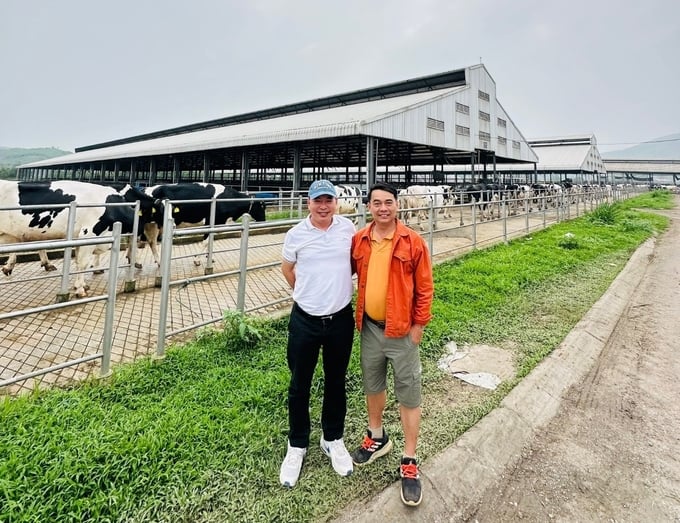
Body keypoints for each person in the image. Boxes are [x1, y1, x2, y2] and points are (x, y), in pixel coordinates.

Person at [350, 181, 434, 507]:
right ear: (368, 206)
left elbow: (425, 287)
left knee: (409, 391)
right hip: (370, 328)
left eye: (388, 202)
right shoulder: (360, 240)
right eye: (376, 203)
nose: (383, 208)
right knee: (373, 384)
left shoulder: (412, 242)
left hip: (401, 331)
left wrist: (418, 326)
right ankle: (376, 436)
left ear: (397, 205)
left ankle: (409, 459)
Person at [279, 179, 357, 488]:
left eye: (328, 200)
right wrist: (306, 293)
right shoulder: (296, 234)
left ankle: (332, 438)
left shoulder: (348, 229)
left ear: (336, 202)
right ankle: (297, 445)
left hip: (339, 319)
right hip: (305, 320)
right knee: (300, 383)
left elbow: (354, 264)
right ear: (308, 203)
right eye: (317, 200)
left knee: (336, 381)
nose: (323, 206)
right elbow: (287, 269)